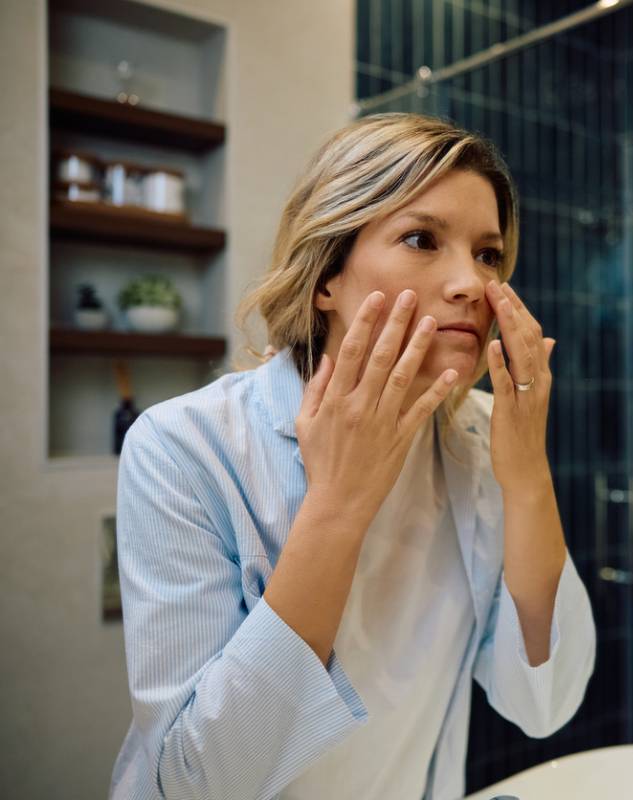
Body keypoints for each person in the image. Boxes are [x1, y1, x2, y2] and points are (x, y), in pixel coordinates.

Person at [110, 114, 595, 800]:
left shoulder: (483, 439)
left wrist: (528, 479)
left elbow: (546, 704)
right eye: (422, 239)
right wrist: (338, 506)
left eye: (488, 255)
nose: (471, 283)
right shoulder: (182, 448)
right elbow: (196, 782)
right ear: (326, 277)